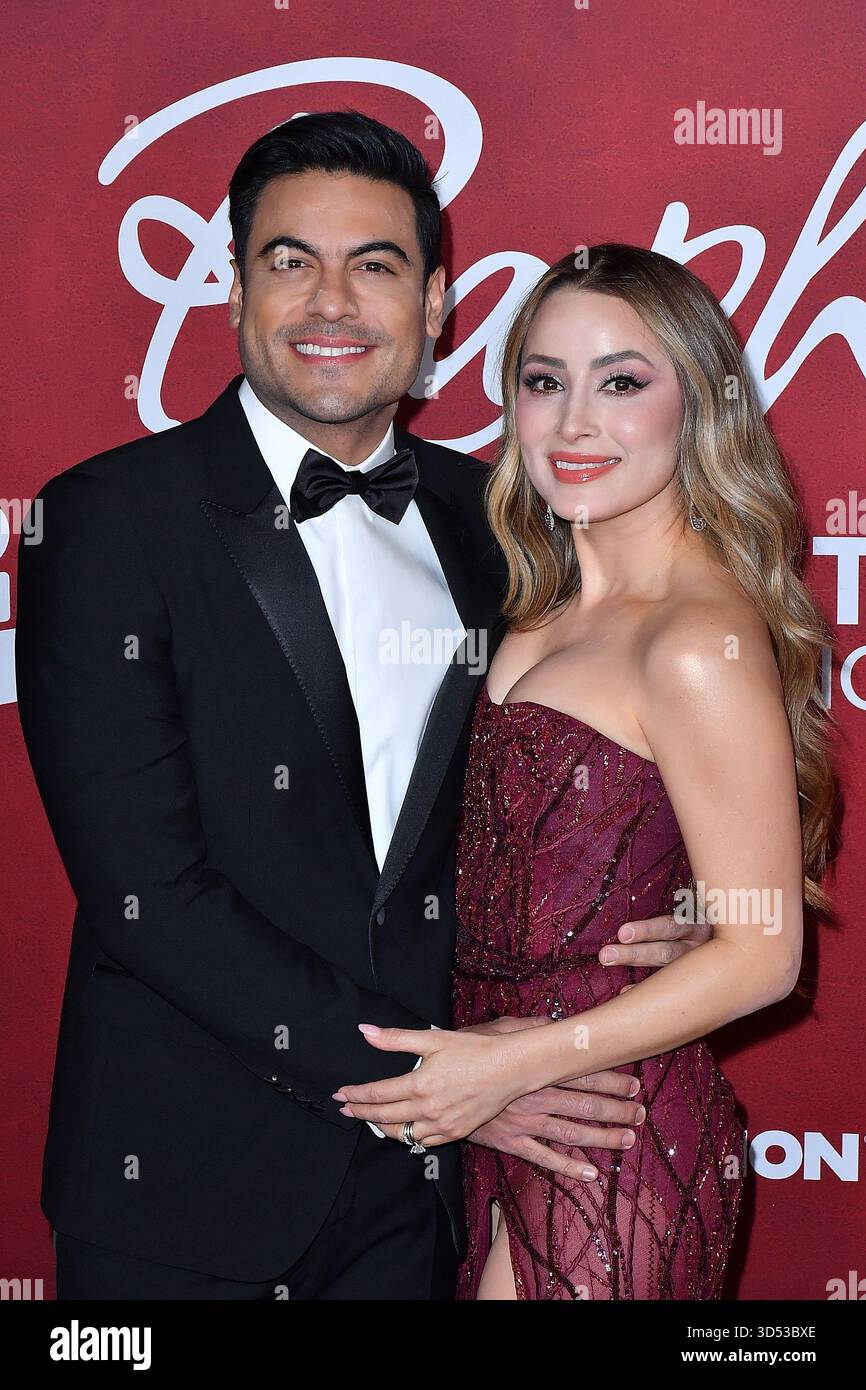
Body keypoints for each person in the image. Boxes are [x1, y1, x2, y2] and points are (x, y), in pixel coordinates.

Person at [16, 118, 710, 1301]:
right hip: (185, 1189)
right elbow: (149, 895)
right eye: (290, 261)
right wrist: (443, 1082)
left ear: (436, 302)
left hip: (427, 1202)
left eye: (374, 265)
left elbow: (600, 763)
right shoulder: (107, 520)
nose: (329, 301)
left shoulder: (502, 518)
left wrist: (680, 900)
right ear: (233, 287)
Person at [332, 243, 836, 1300]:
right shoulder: (534, 595)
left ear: (697, 402)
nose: (572, 424)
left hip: (605, 1123)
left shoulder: (695, 638)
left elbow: (760, 955)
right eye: (542, 381)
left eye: (620, 382)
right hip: (493, 1111)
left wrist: (513, 1061)